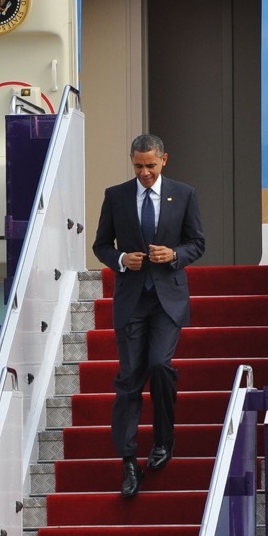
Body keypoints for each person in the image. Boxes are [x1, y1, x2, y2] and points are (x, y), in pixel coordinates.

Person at [92, 134, 205, 498]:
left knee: (159, 365)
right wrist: (122, 260)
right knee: (128, 381)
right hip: (131, 300)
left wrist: (173, 255)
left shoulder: (184, 194)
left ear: (164, 160)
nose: (144, 172)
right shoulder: (116, 196)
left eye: (151, 166)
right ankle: (127, 462)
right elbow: (101, 245)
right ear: (132, 161)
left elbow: (197, 243)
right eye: (138, 166)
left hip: (168, 299)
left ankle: (163, 441)